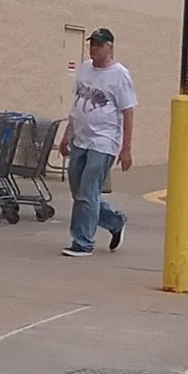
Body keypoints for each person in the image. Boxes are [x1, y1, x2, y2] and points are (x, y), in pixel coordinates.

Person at [59, 27, 136, 256]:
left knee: (87, 192)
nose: (94, 49)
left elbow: (128, 112)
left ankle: (83, 242)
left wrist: (126, 149)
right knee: (80, 191)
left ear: (110, 47)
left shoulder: (119, 75)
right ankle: (114, 221)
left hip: (104, 141)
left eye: (99, 45)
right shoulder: (85, 69)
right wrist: (66, 135)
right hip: (80, 139)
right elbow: (76, 105)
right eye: (92, 44)